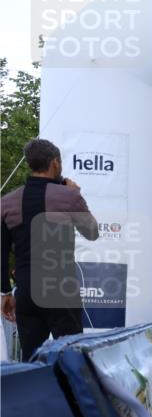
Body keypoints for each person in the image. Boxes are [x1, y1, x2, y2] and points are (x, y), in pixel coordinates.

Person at [1, 139, 99, 359]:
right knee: (73, 359)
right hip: (62, 291)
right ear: (55, 163)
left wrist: (5, 292)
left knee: (30, 360)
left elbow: (1, 251)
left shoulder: (7, 202)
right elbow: (92, 232)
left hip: (26, 292)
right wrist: (76, 193)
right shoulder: (69, 196)